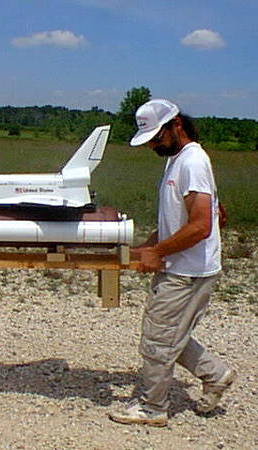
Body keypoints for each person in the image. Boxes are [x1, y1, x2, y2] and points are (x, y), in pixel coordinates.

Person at [108, 99, 235, 427]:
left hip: (188, 271)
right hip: (182, 266)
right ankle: (216, 375)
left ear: (176, 124)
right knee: (171, 336)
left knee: (157, 338)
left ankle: (153, 407)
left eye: (156, 137)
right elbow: (188, 220)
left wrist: (159, 253)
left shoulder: (192, 161)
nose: (153, 145)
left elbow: (200, 225)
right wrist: (145, 248)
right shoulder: (177, 160)